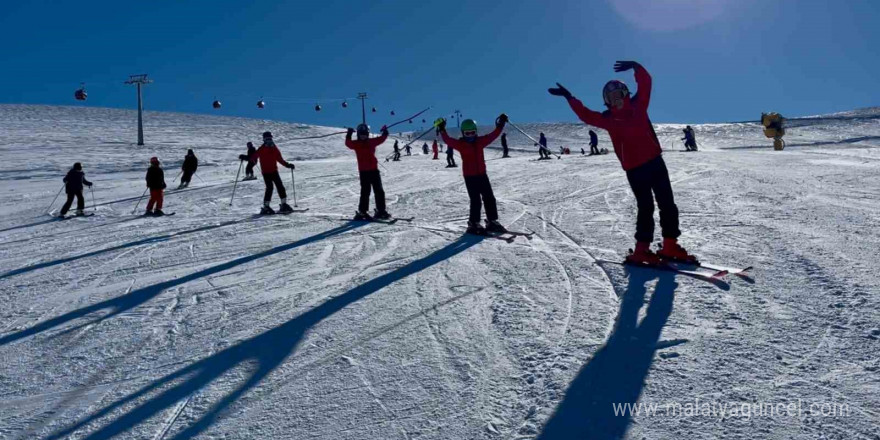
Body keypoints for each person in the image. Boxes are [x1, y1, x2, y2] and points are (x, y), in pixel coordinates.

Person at [548, 60, 696, 264]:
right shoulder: (607, 119)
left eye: (619, 95)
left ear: (626, 94)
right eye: (611, 97)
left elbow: (646, 83)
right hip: (635, 170)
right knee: (646, 208)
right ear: (606, 101)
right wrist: (569, 97)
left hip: (655, 162)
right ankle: (641, 249)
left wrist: (636, 67)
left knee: (667, 204)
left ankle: (670, 245)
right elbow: (585, 114)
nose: (616, 100)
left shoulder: (638, 105)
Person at [438, 115, 507, 235]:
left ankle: (492, 221)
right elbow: (448, 140)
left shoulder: (480, 141)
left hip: (482, 174)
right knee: (476, 200)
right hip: (470, 176)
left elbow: (493, 135)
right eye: (467, 133)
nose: (470, 136)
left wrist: (501, 124)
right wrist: (442, 129)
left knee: (489, 198)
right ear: (463, 133)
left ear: (476, 132)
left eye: (472, 133)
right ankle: (473, 223)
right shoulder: (461, 144)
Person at [346, 123, 391, 220]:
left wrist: (385, 132)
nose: (363, 136)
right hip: (364, 172)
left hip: (374, 170)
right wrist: (349, 133)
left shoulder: (371, 142)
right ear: (358, 135)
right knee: (365, 192)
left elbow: (381, 139)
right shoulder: (356, 144)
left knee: (379, 191)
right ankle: (362, 212)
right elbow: (348, 143)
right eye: (361, 134)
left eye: (365, 134)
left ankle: (381, 211)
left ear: (367, 134)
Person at [253, 131, 295, 214]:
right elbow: (253, 157)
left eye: (270, 138)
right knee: (270, 188)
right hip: (266, 173)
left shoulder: (274, 149)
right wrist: (246, 157)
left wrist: (288, 165)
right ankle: (266, 207)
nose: (269, 140)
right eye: (267, 139)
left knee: (280, 187)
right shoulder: (261, 149)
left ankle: (283, 204)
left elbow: (280, 159)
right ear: (264, 140)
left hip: (274, 171)